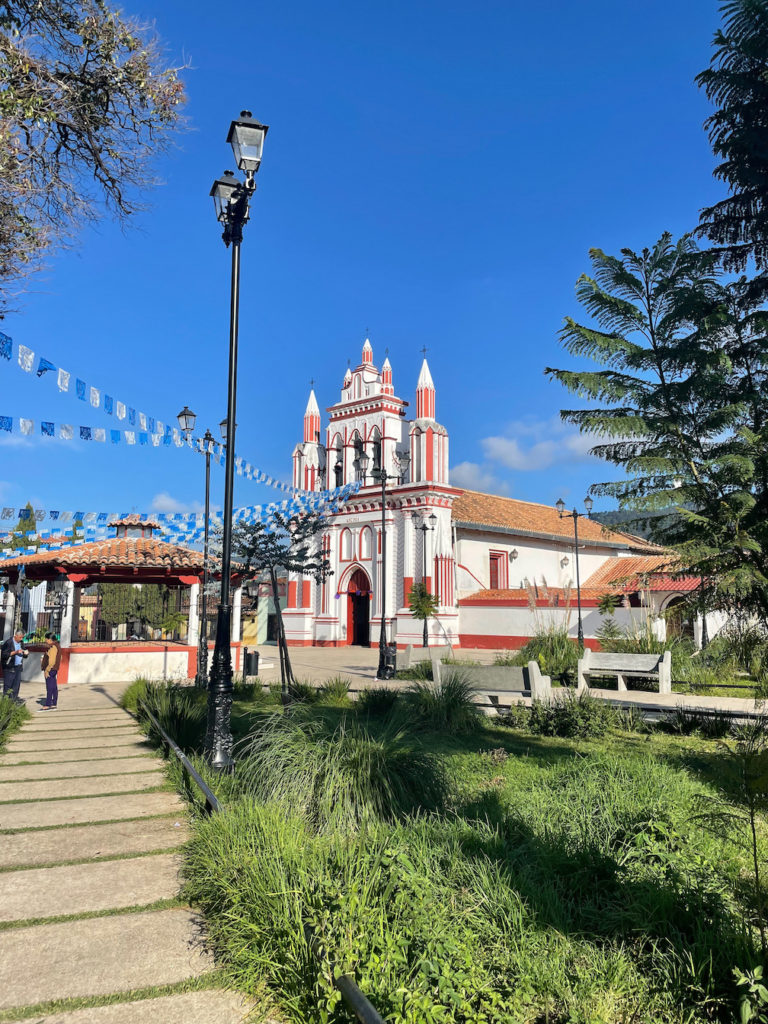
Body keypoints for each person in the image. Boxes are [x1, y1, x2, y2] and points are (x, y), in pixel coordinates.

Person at [1, 630, 29, 704]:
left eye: (22, 638)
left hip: (18, 667)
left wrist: (26, 653)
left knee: (16, 685)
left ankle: (14, 700)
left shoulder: (21, 643)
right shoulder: (8, 643)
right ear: (16, 636)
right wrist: (15, 652)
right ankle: (6, 701)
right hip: (9, 667)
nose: (21, 639)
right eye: (20, 637)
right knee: (8, 685)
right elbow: (4, 655)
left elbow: (24, 652)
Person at [40, 632, 61, 710]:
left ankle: (48, 704)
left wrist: (47, 670)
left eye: (46, 639)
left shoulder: (53, 647)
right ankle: (54, 702)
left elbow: (52, 661)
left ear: (50, 639)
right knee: (54, 686)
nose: (45, 641)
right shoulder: (57, 646)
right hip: (54, 669)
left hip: (51, 669)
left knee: (49, 687)